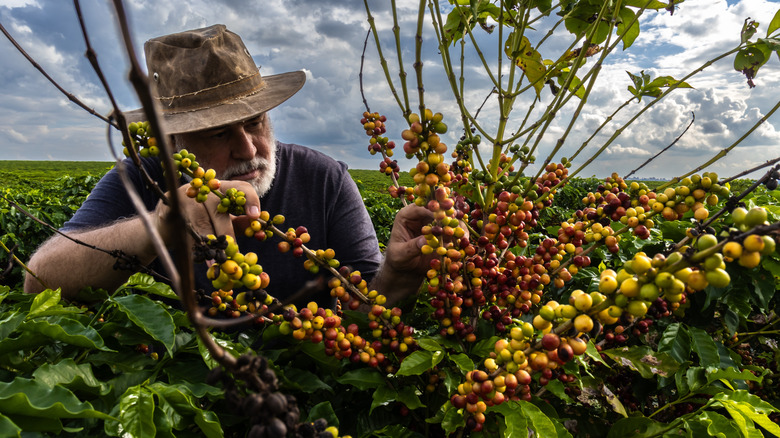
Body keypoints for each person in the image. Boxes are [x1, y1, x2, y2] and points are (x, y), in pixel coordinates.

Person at [23, 24, 430, 308]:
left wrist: (396, 275)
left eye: (255, 121)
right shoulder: (142, 177)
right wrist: (160, 226)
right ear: (172, 142)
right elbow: (38, 279)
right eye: (216, 134)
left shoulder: (324, 179)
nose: (246, 147)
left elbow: (364, 317)